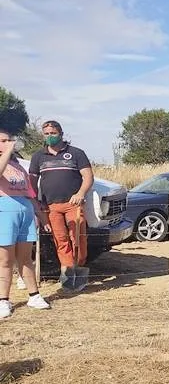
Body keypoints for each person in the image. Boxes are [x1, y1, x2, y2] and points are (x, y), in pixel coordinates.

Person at [28, 120, 94, 289]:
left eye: (53, 133)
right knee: (61, 240)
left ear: (61, 134)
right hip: (50, 206)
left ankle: (78, 266)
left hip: (73, 203)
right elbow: (32, 184)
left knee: (78, 238)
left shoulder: (76, 153)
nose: (50, 137)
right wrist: (37, 205)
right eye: (47, 134)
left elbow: (88, 177)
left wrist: (80, 194)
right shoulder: (38, 157)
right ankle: (67, 274)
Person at [0, 129, 51, 318]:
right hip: (4, 211)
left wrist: (41, 216)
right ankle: (3, 300)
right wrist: (6, 151)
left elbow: (30, 194)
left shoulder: (18, 165)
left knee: (25, 258)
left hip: (24, 212)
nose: (8, 143)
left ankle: (34, 295)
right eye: (3, 141)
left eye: (9, 140)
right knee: (5, 260)